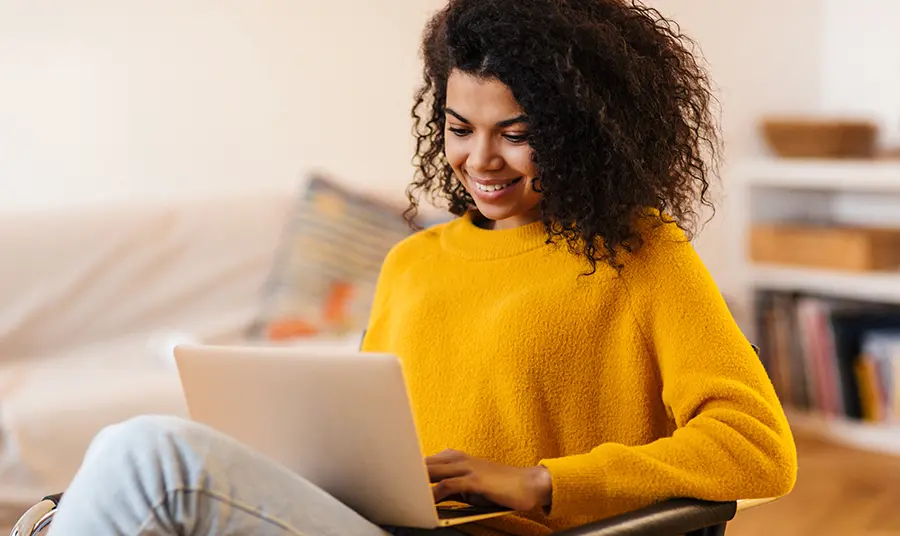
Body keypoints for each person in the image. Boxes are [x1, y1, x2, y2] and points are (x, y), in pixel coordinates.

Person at [47, 0, 798, 534]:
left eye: (516, 133)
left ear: (582, 133)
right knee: (150, 468)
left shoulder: (642, 253)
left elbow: (759, 449)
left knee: (147, 457)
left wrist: (543, 483)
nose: (481, 160)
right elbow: (363, 436)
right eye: (459, 128)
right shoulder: (413, 262)